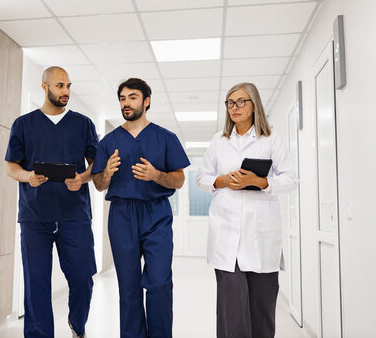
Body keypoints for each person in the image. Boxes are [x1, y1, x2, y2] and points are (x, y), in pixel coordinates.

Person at [196, 82, 298, 338]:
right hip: (226, 237)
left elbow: (291, 180)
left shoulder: (271, 138)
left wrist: (258, 181)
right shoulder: (219, 141)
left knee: (262, 310)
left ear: (254, 105)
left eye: (241, 101)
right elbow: (201, 178)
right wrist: (222, 180)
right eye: (230, 102)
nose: (235, 107)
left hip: (261, 237)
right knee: (232, 311)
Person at [92, 78, 190, 338]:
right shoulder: (109, 141)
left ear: (146, 101)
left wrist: (157, 175)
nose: (126, 103)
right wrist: (108, 174)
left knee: (159, 283)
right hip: (122, 215)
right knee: (129, 286)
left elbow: (179, 179)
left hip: (156, 213)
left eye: (132, 97)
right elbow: (98, 184)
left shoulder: (166, 138)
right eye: (123, 98)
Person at [5, 66, 98, 338]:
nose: (66, 91)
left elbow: (95, 167)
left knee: (83, 277)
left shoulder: (83, 124)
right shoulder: (23, 124)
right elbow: (11, 166)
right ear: (44, 87)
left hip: (75, 215)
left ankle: (77, 323)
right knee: (36, 286)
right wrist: (28, 176)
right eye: (60, 86)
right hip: (35, 217)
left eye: (68, 86)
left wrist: (82, 178)